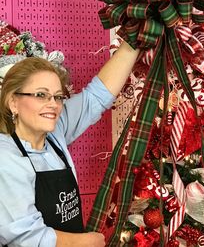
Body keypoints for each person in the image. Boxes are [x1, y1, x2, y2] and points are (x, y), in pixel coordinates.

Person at [0, 40, 140, 247]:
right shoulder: (6, 157)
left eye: (58, 96)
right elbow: (25, 237)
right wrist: (86, 242)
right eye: (41, 95)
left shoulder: (55, 133)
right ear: (13, 102)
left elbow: (96, 97)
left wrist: (136, 38)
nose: (53, 105)